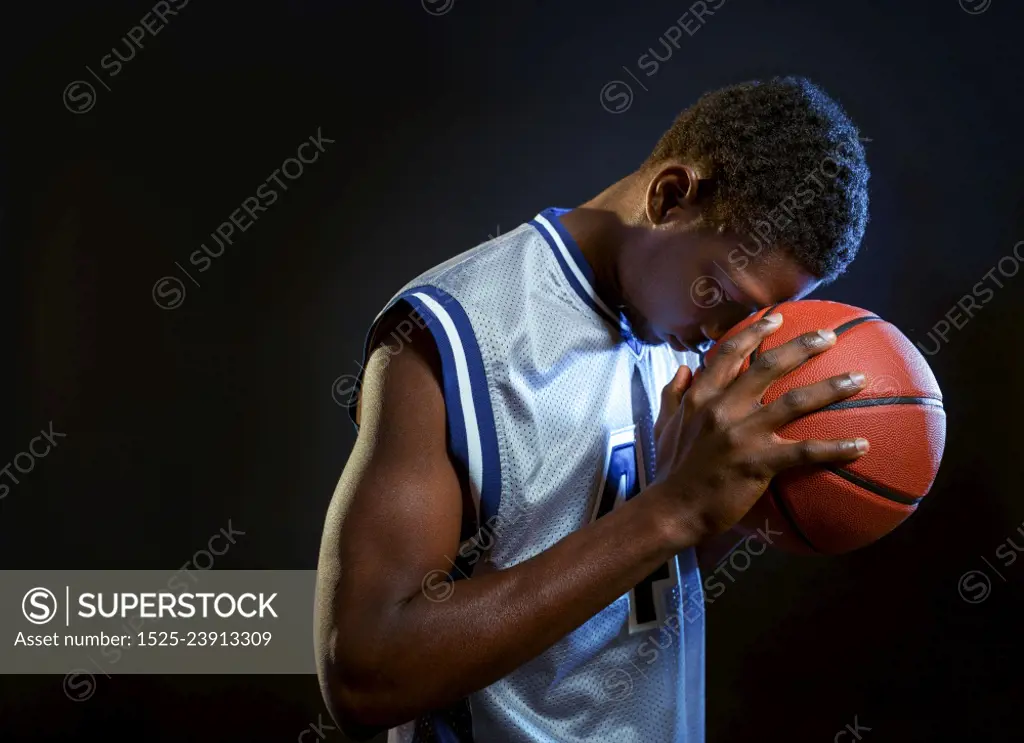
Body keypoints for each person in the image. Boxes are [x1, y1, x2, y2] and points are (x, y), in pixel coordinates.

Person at [314, 76, 871, 743]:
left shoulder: (707, 351)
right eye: (721, 292)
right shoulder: (450, 334)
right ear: (670, 196)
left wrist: (733, 515)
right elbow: (365, 675)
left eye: (756, 315)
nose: (725, 331)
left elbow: (639, 604)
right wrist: (672, 509)